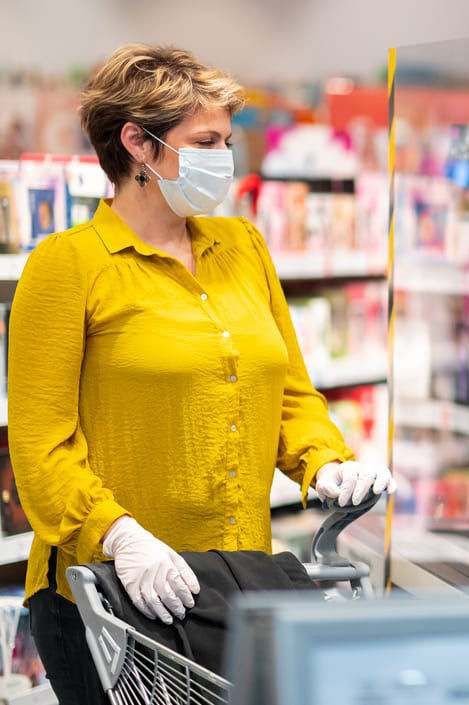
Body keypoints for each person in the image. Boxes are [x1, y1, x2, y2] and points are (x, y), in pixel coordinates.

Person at [8, 44, 395, 704]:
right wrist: (119, 534)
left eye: (227, 139)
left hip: (236, 585)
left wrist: (323, 463)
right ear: (138, 144)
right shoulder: (66, 265)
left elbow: (291, 393)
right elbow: (41, 451)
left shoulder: (243, 247)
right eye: (207, 140)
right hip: (110, 599)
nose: (225, 157)